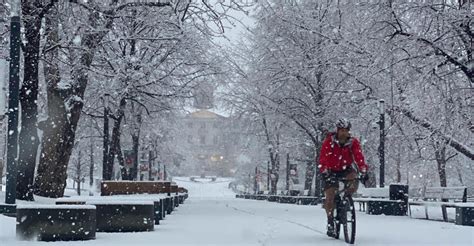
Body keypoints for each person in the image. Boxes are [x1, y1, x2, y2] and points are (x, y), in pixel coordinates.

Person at [317, 118, 369, 237]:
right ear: (338, 130)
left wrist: (363, 170)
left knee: (353, 180)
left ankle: (346, 198)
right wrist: (324, 170)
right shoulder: (329, 142)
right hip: (331, 170)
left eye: (346, 130)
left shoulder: (353, 142)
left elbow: (358, 156)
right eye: (342, 130)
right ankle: (330, 220)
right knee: (330, 196)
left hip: (346, 169)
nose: (344, 133)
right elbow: (323, 158)